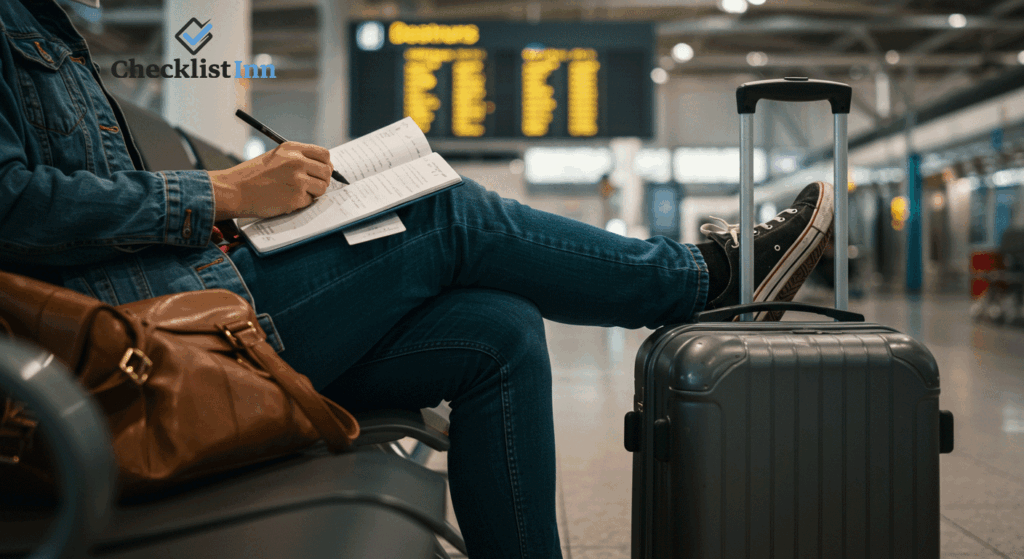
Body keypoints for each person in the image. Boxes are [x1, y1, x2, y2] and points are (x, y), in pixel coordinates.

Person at [0, 1, 834, 557]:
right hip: (143, 361)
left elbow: (95, 211)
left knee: (497, 330)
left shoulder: (44, 20)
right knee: (446, 213)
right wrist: (218, 190)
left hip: (195, 310)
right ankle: (707, 279)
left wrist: (233, 212)